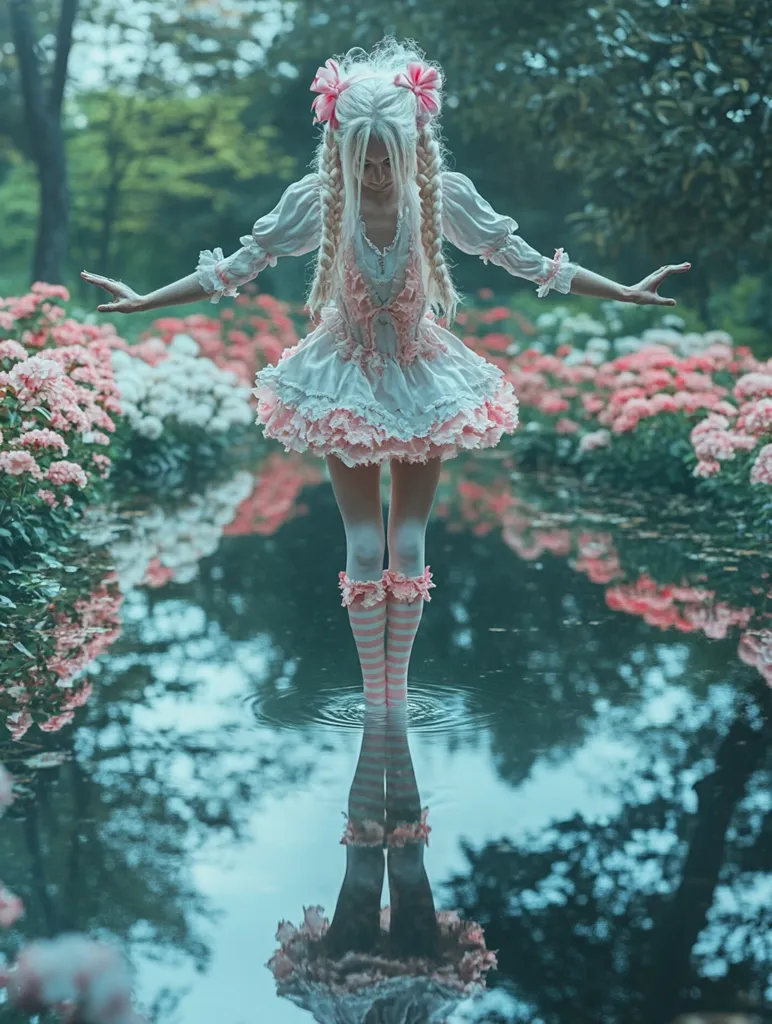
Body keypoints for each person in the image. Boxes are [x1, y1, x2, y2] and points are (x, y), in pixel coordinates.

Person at [81, 38, 690, 707]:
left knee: (409, 536)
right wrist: (147, 299)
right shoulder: (320, 201)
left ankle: (395, 695)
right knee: (365, 543)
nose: (374, 175)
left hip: (420, 377)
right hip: (343, 381)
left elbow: (532, 263)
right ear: (341, 150)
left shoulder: (440, 198)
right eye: (363, 160)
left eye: (386, 160)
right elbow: (233, 268)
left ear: (412, 148)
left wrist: (624, 290)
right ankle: (377, 699)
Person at [265, 702, 497, 1023]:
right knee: (387, 868)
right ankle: (386, 706)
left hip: (385, 992)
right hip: (396, 992)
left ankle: (382, 707)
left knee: (385, 869)